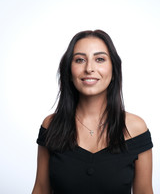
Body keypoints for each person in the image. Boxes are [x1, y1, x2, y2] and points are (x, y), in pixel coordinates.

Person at [32, 30, 153, 194]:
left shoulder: (136, 128)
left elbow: (145, 191)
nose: (89, 68)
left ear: (113, 70)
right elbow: (40, 189)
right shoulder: (51, 125)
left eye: (100, 59)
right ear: (68, 71)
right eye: (80, 60)